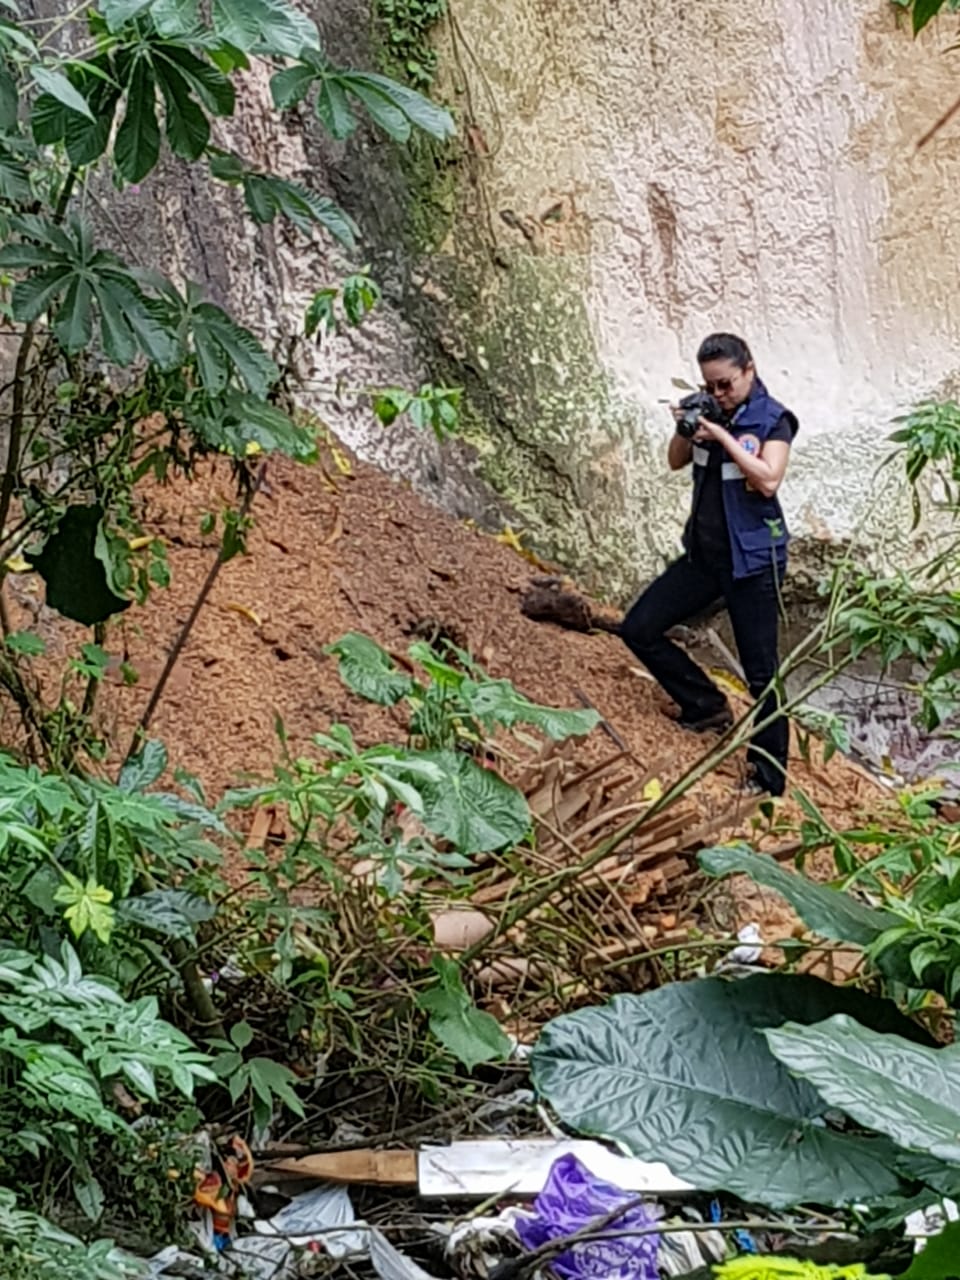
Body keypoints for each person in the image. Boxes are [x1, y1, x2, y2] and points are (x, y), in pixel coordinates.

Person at [620, 333, 798, 796]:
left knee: (762, 674)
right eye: (711, 386)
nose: (718, 394)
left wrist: (721, 434)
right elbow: (675, 462)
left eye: (725, 385)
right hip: (705, 558)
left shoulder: (772, 420)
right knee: (639, 627)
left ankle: (768, 778)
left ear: (748, 371)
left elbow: (768, 479)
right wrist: (685, 426)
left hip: (754, 563)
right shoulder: (706, 409)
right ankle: (705, 706)